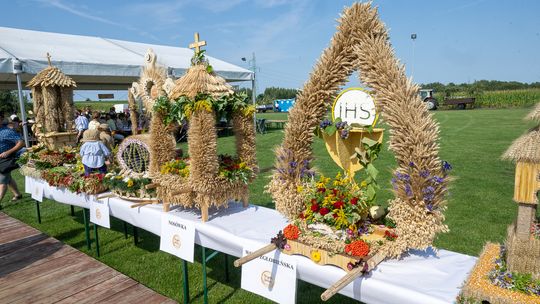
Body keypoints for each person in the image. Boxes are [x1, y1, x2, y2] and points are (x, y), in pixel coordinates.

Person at [0, 111, 24, 205]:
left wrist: (7, 152)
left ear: (1, 119)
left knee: (2, 181)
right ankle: (17, 194)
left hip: (7, 159)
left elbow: (21, 142)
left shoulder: (7, 131)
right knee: (7, 178)